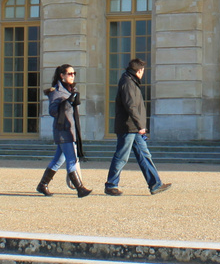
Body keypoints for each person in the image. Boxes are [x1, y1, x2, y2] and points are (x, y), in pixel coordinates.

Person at [107, 57, 170, 196]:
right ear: (139, 71)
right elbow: (131, 106)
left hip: (133, 127)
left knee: (144, 155)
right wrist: (140, 125)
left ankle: (155, 184)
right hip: (129, 127)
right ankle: (111, 184)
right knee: (122, 156)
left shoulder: (130, 81)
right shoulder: (128, 83)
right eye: (143, 71)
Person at [39, 64, 93, 197]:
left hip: (70, 130)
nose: (72, 76)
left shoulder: (70, 90)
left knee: (58, 160)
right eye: (69, 73)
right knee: (71, 159)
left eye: (74, 73)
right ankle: (80, 188)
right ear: (62, 76)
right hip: (63, 130)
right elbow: (52, 111)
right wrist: (68, 102)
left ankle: (42, 185)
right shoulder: (57, 92)